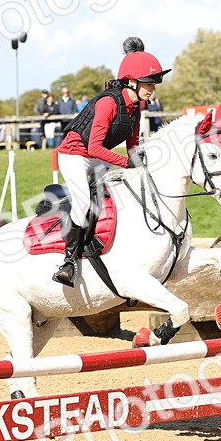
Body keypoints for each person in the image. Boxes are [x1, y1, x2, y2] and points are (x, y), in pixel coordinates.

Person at [51, 36, 168, 287]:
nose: (153, 89)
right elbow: (94, 146)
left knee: (127, 190)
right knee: (83, 204)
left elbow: (133, 143)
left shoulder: (137, 107)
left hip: (96, 157)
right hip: (75, 154)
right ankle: (68, 262)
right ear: (132, 82)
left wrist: (141, 166)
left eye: (154, 84)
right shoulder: (107, 102)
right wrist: (127, 164)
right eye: (149, 83)